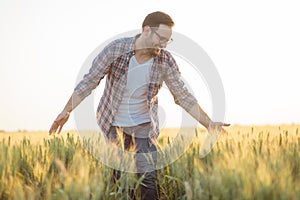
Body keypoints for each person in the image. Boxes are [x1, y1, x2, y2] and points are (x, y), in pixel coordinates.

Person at [49, 11, 230, 200]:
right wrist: (66, 109)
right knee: (119, 181)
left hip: (144, 127)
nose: (164, 45)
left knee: (149, 181)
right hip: (113, 126)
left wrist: (208, 123)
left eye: (168, 41)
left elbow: (183, 96)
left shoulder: (165, 61)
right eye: (161, 38)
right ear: (146, 30)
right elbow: (89, 81)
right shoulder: (115, 50)